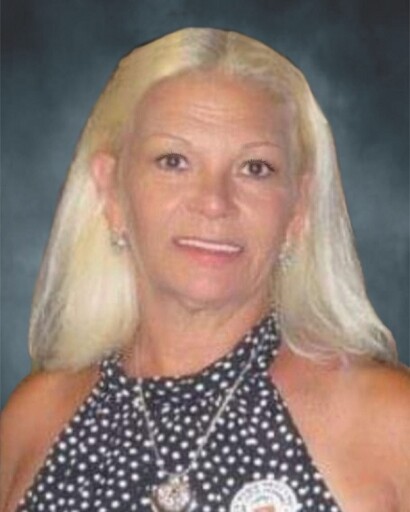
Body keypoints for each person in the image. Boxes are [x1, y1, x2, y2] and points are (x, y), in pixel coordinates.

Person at [1, 27, 409, 512]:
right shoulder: (32, 422)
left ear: (298, 208)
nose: (214, 202)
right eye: (173, 161)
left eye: (255, 168)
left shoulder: (390, 425)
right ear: (111, 191)